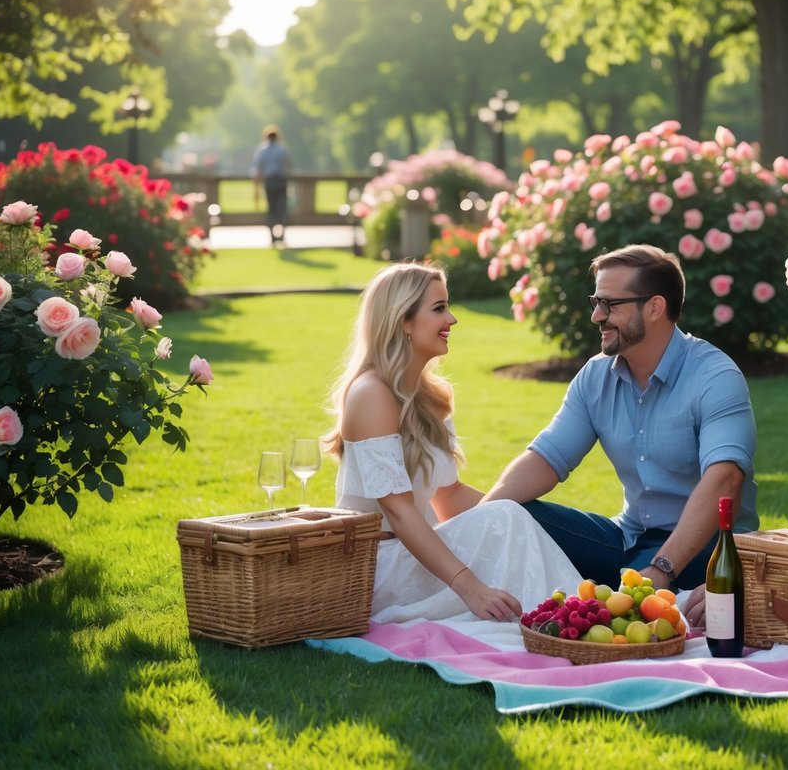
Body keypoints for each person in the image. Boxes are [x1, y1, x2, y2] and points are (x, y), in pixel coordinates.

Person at [484, 243, 758, 601]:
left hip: (708, 549)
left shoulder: (715, 376)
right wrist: (481, 519)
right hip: (627, 539)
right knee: (514, 515)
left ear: (655, 307)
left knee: (626, 597)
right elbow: (546, 459)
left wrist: (661, 570)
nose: (597, 315)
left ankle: (634, 591)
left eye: (610, 304)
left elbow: (725, 479)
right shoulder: (595, 376)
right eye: (596, 302)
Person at [325, 261, 582, 623]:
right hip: (379, 567)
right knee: (508, 518)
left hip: (421, 553)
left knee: (511, 513)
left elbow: (448, 495)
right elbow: (398, 511)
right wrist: (470, 586)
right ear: (403, 321)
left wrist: (522, 522)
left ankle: (572, 613)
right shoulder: (371, 394)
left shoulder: (432, 397)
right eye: (439, 308)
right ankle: (571, 617)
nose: (452, 319)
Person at [252, 124, 292, 247]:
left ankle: (273, 237)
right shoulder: (282, 149)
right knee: (282, 209)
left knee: (271, 209)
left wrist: (256, 187)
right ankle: (282, 235)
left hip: (269, 182)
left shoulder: (262, 150)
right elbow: (288, 167)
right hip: (280, 181)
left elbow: (258, 169)